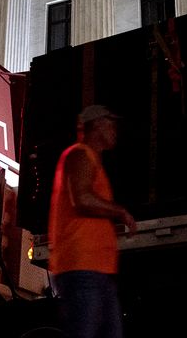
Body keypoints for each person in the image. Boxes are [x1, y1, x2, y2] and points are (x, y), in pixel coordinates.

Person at [48, 105, 136, 338]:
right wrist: (120, 212)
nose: (115, 130)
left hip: (96, 270)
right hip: (82, 268)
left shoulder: (91, 161)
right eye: (110, 124)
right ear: (96, 125)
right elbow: (82, 198)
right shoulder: (80, 154)